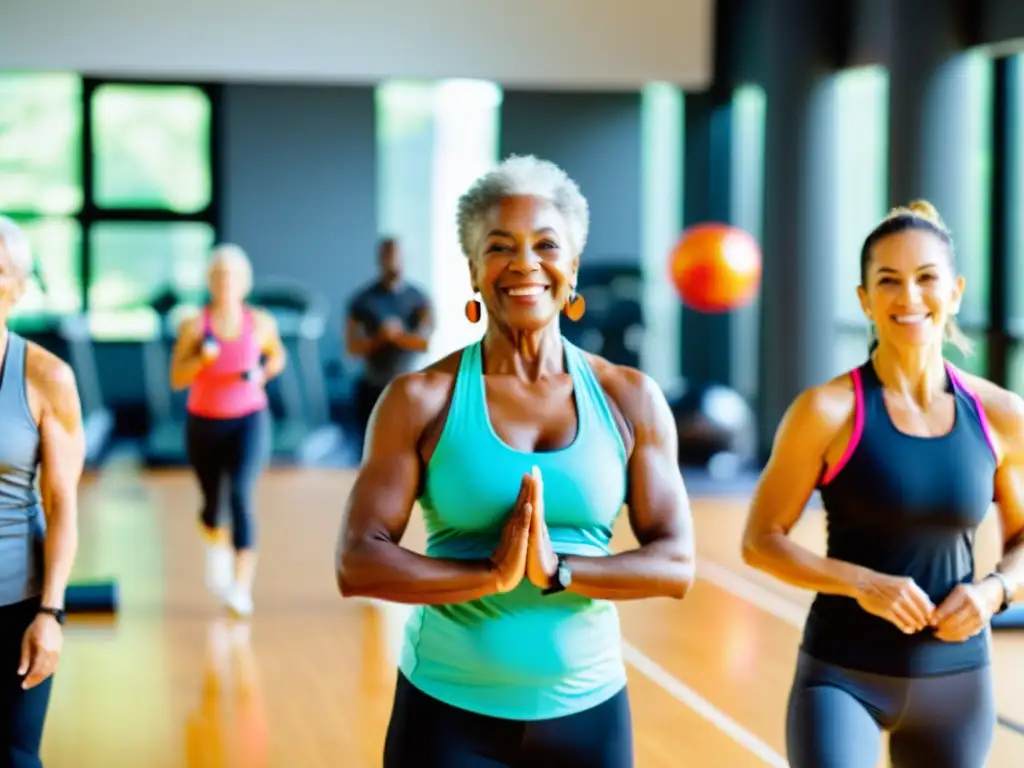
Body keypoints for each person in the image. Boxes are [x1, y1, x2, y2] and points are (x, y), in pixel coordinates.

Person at [335, 155, 695, 767]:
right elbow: (357, 561)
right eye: (500, 247)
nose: (525, 263)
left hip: (589, 711)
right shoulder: (419, 400)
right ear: (474, 271)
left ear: (572, 268)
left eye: (546, 245)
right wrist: (489, 576)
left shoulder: (629, 397)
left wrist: (559, 570)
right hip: (447, 713)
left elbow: (676, 563)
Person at [741, 200, 1024, 768]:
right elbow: (760, 541)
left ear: (956, 291)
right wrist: (863, 583)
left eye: (926, 279)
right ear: (865, 300)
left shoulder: (1000, 414)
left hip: (958, 682)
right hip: (842, 676)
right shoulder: (825, 411)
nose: (909, 297)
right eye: (889, 282)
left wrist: (995, 590)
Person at [0, 216, 86, 767]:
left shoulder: (46, 377)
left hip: (17, 602)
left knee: (15, 756)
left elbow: (62, 506)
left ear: (19, 286)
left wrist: (50, 614)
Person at [170, 244, 287, 618]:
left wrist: (262, 372)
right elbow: (176, 377)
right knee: (212, 506)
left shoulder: (260, 322)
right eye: (219, 275)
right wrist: (200, 360)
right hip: (204, 421)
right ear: (209, 281)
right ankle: (215, 545)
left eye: (232, 275)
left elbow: (278, 356)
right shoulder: (194, 325)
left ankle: (240, 587)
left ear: (244, 282)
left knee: (240, 495)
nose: (226, 282)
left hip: (249, 418)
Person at [344, 237, 433, 445]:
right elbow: (351, 347)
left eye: (397, 256)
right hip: (373, 387)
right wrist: (380, 338)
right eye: (388, 256)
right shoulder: (362, 300)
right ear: (379, 259)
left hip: (409, 388)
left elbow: (425, 343)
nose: (393, 261)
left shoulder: (419, 299)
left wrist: (397, 336)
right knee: (370, 450)